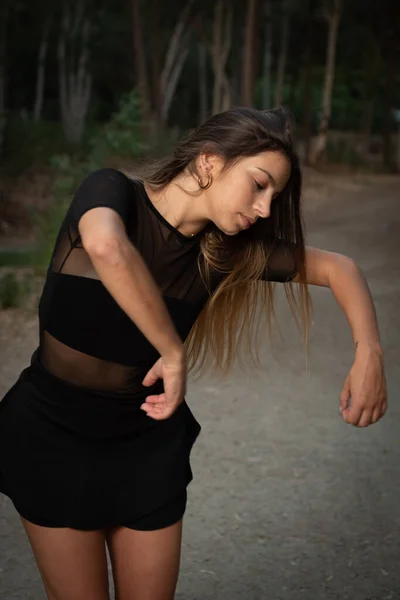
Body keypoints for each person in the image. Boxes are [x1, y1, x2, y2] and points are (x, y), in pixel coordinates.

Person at [0, 107, 387, 600]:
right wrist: (172, 350)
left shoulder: (227, 252)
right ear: (208, 162)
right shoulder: (111, 192)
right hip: (51, 437)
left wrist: (369, 353)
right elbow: (104, 246)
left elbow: (341, 269)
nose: (266, 209)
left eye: (275, 196)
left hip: (144, 446)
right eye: (259, 184)